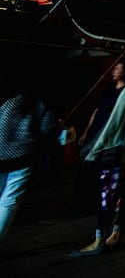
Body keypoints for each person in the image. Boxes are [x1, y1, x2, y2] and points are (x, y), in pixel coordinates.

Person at [70, 58, 125, 257]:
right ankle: (117, 235)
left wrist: (94, 151)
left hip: (120, 156)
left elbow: (114, 125)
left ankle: (99, 240)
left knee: (107, 200)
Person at [0, 64, 58, 243]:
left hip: (1, 153)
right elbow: (46, 130)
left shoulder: (9, 101)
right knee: (9, 201)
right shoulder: (44, 104)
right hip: (25, 156)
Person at [73, 61, 125, 212]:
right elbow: (97, 110)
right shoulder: (109, 89)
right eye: (114, 68)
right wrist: (86, 131)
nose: (114, 71)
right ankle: (80, 199)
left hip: (107, 131)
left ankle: (92, 200)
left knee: (94, 163)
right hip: (96, 128)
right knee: (83, 160)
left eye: (118, 69)